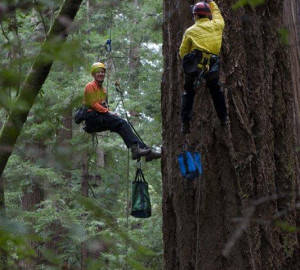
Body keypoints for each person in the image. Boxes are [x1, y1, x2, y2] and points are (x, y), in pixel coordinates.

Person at [83, 62, 161, 162]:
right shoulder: (90, 86)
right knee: (122, 122)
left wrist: (109, 112)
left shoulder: (102, 90)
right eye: (98, 72)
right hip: (91, 117)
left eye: (102, 72)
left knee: (120, 126)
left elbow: (102, 105)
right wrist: (108, 112)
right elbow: (93, 104)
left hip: (99, 117)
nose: (101, 74)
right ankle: (135, 150)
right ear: (94, 74)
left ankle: (146, 151)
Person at [179, 0, 229, 134]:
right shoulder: (218, 25)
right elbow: (217, 13)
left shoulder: (190, 31)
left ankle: (185, 123)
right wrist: (211, 2)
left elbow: (183, 52)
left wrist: (189, 63)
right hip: (212, 66)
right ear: (208, 15)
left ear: (195, 16)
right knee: (216, 90)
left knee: (188, 92)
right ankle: (223, 118)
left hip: (195, 66)